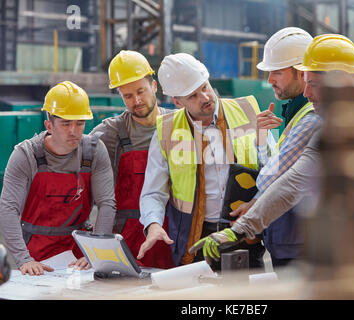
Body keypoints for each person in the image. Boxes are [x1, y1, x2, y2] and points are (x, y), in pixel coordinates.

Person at [189, 34, 354, 265]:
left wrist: (241, 228)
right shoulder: (336, 127)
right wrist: (241, 229)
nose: (308, 94)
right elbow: (292, 181)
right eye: (307, 83)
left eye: (315, 85)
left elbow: (291, 183)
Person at [138, 53, 269, 269]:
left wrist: (255, 203)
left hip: (244, 231)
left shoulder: (249, 112)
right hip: (194, 239)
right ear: (177, 101)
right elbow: (153, 191)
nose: (205, 97)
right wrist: (153, 224)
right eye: (193, 96)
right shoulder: (166, 130)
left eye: (205, 87)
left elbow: (272, 172)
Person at [0, 81, 116, 276]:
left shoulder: (94, 152)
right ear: (49, 125)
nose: (74, 130)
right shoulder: (26, 156)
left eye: (80, 123)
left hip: (80, 253)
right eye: (66, 123)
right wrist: (24, 259)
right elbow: (8, 209)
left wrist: (95, 253)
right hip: (36, 256)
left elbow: (107, 203)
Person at [230, 27, 322, 268]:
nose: (269, 80)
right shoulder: (296, 111)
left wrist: (253, 206)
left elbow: (268, 178)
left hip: (298, 242)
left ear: (302, 74)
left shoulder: (310, 117)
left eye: (277, 72)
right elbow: (276, 169)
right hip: (288, 238)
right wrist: (262, 137)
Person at [90, 50, 174, 269]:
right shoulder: (110, 133)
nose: (136, 101)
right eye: (127, 96)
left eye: (141, 91)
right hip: (127, 241)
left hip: (171, 234)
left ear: (154, 86)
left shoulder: (177, 125)